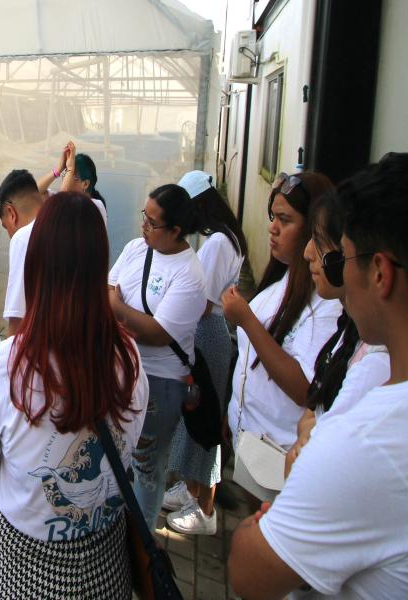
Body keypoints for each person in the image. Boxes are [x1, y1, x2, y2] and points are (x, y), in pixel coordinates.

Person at [229, 153, 408, 599]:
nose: (317, 257)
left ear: (380, 273)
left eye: (339, 254)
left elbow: (251, 573)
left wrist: (264, 522)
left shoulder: (368, 441)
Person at [0, 192, 149, 599]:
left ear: (37, 264)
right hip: (106, 563)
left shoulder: (8, 364)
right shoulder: (130, 357)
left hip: (22, 563)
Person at [221, 172, 341, 494]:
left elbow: (305, 388)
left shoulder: (328, 304)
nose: (272, 228)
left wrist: (246, 320)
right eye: (272, 217)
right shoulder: (285, 280)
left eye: (285, 220)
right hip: (251, 442)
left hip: (278, 457)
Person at [107, 184, 208, 531]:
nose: (143, 227)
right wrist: (125, 314)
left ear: (176, 231)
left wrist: (119, 308)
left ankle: (145, 545)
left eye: (152, 222)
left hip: (160, 382)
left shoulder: (189, 274)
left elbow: (158, 333)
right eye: (144, 217)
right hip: (124, 369)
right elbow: (108, 287)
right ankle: (120, 529)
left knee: (148, 466)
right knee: (121, 455)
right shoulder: (137, 249)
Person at [162, 170, 248, 535]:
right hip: (210, 330)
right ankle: (193, 488)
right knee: (196, 413)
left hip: (207, 332)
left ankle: (205, 509)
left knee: (203, 417)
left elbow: (202, 302)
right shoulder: (228, 237)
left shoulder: (216, 244)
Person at [282, 191, 390, 475]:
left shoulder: (374, 362)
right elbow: (313, 407)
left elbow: (306, 465)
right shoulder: (350, 328)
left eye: (319, 242)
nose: (307, 253)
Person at [0, 169, 43, 335]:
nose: (9, 235)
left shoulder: (23, 238)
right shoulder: (67, 225)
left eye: (6, 227)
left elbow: (17, 322)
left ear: (11, 213)